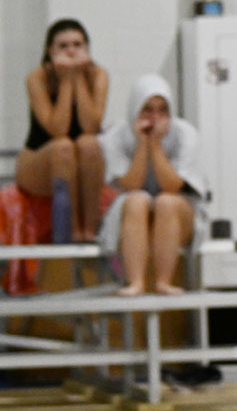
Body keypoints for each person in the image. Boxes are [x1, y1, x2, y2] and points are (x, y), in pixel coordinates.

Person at [98, 75, 207, 296]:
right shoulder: (115, 137)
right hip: (133, 215)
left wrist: (155, 145)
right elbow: (131, 185)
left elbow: (172, 186)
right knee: (137, 200)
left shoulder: (185, 134)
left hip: (177, 212)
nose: (155, 118)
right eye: (147, 110)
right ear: (135, 109)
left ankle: (163, 281)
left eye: (162, 110)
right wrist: (142, 144)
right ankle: (136, 282)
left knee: (166, 202)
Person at [16, 19, 109, 241]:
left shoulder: (98, 75)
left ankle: (90, 230)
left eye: (77, 45)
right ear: (50, 51)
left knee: (89, 144)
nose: (71, 51)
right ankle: (71, 230)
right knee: (63, 147)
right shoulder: (37, 78)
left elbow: (91, 127)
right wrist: (67, 81)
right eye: (63, 46)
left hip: (80, 160)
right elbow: (58, 130)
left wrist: (78, 79)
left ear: (87, 49)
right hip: (39, 158)